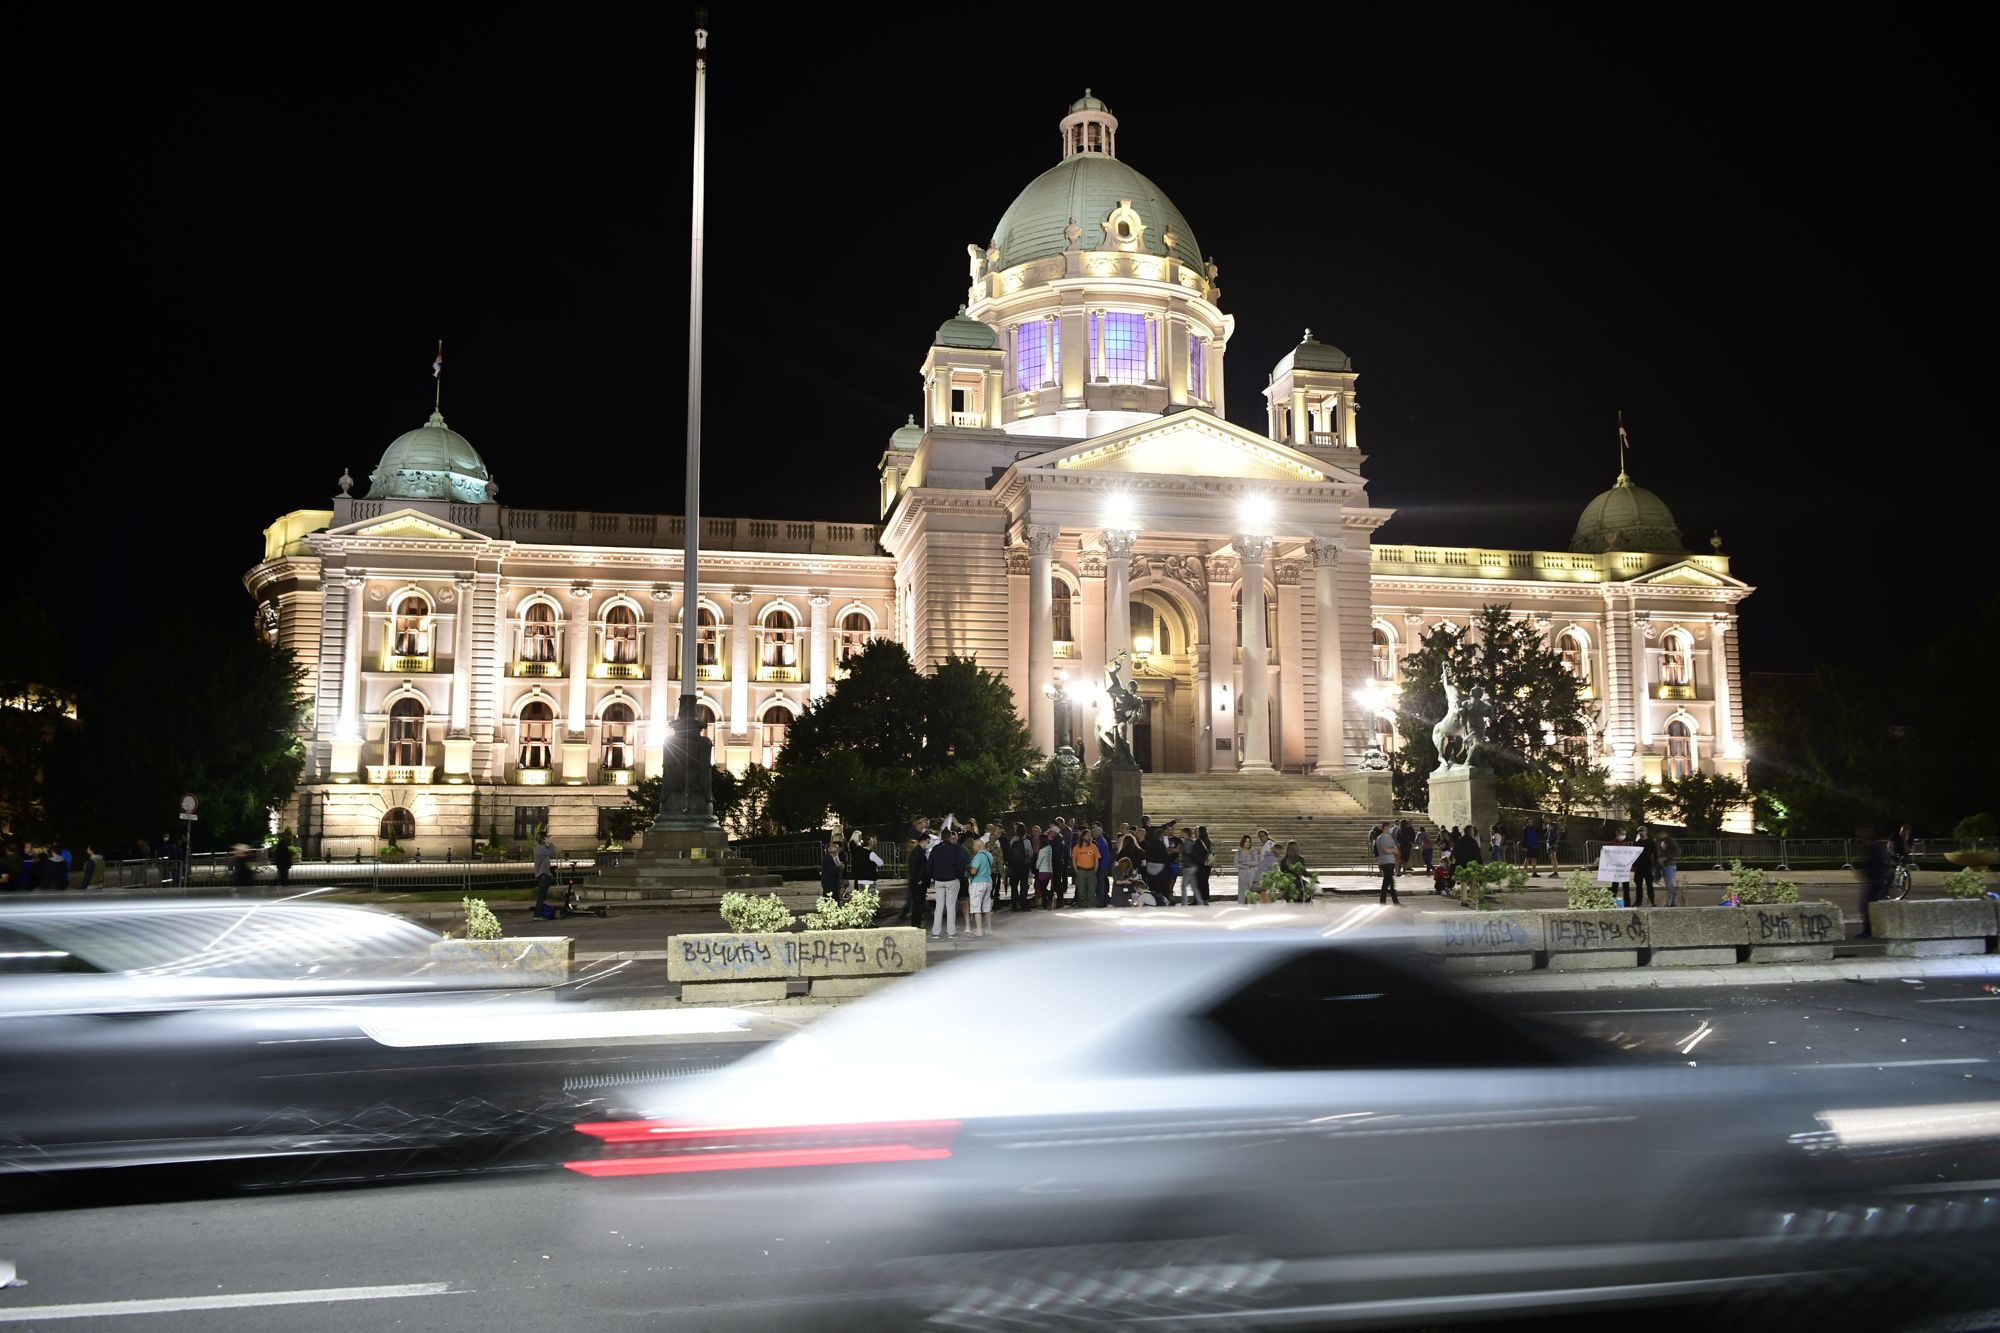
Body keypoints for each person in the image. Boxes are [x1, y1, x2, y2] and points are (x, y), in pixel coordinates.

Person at [927, 829, 964, 940]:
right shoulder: (955, 849)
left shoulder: (935, 849)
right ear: (949, 837)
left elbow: (929, 866)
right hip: (952, 879)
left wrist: (933, 877)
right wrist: (959, 877)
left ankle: (936, 932)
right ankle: (951, 933)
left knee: (939, 906)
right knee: (951, 906)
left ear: (941, 837)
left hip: (939, 880)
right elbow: (960, 865)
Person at [966, 836, 996, 937]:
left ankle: (979, 930)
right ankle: (989, 929)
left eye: (974, 845)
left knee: (976, 907)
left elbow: (974, 872)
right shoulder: (989, 855)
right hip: (988, 882)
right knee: (987, 907)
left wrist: (968, 869)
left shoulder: (978, 856)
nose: (973, 847)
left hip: (978, 883)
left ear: (978, 846)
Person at [903, 829, 933, 924]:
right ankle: (916, 923)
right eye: (928, 842)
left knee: (919, 904)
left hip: (920, 883)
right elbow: (913, 867)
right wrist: (918, 880)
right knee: (918, 905)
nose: (928, 844)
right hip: (918, 884)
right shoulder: (917, 851)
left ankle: (916, 922)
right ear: (923, 841)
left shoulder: (919, 851)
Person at [1071, 826, 1100, 911]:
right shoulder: (1076, 848)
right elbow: (1073, 860)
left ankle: (1091, 909)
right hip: (1081, 871)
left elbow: (1096, 859)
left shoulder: (1094, 847)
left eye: (1090, 835)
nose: (1090, 837)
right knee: (1081, 893)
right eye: (1087, 835)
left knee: (1091, 892)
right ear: (1083, 837)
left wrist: (1095, 871)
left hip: (1091, 871)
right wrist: (1077, 871)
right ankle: (1082, 909)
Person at [1373, 823, 1402, 905]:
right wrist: (1391, 849)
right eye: (1388, 827)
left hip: (1391, 861)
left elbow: (1396, 850)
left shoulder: (1390, 838)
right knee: (1390, 881)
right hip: (1385, 862)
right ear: (1384, 828)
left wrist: (1391, 849)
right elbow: (1386, 850)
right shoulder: (1380, 838)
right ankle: (1394, 901)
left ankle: (1383, 901)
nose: (1390, 829)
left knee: (1387, 882)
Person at [1630, 826, 1658, 906]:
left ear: (1646, 831)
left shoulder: (1651, 842)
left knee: (1650, 885)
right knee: (1638, 886)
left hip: (1648, 866)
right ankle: (1638, 902)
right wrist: (1633, 866)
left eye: (1642, 831)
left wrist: (1655, 866)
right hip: (1639, 867)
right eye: (1639, 831)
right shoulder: (1636, 842)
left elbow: (1655, 854)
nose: (1640, 832)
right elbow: (1633, 855)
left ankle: (1652, 902)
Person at [1605, 828, 1632, 905]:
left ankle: (1627, 904)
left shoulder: (1624, 843)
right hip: (1616, 868)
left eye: (1625, 834)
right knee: (1614, 887)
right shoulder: (1612, 843)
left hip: (1624, 868)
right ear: (1617, 834)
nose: (1624, 836)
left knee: (1626, 887)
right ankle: (1612, 903)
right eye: (1622, 834)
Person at [533, 831, 556, 916]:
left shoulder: (541, 848)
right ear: (543, 839)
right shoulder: (541, 848)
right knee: (541, 896)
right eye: (547, 837)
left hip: (544, 874)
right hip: (543, 875)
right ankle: (537, 914)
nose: (549, 839)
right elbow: (552, 852)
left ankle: (539, 913)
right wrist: (550, 844)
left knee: (542, 896)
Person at [1190, 826, 1213, 905]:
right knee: (1205, 882)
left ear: (1200, 832)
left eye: (1196, 832)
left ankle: (1197, 900)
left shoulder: (1198, 842)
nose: (1195, 833)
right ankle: (1206, 899)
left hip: (1200, 866)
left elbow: (1196, 855)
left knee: (1198, 883)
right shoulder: (1208, 841)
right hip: (1208, 865)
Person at [1656, 830, 1680, 906]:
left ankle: (1669, 903)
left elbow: (1677, 851)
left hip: (1669, 865)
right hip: (1664, 865)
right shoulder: (1661, 841)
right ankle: (1672, 902)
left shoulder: (1670, 841)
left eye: (1659, 835)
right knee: (1669, 884)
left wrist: (1665, 858)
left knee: (1670, 885)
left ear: (1664, 834)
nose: (1658, 837)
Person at [820, 837, 844, 902]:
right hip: (830, 885)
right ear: (836, 852)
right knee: (831, 901)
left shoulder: (832, 858)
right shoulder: (828, 859)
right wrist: (839, 867)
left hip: (832, 884)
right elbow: (832, 871)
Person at [1033, 833, 1054, 908]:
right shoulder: (1049, 848)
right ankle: (1046, 902)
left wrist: (1036, 866)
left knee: (1042, 889)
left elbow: (1039, 861)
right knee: (1044, 888)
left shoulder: (1042, 850)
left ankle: (1049, 897)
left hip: (1043, 871)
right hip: (1049, 871)